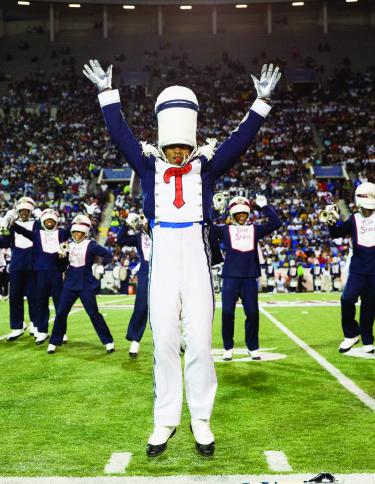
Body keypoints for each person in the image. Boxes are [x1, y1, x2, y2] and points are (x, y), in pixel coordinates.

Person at [83, 59, 281, 457]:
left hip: (195, 254)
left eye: (182, 147)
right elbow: (120, 136)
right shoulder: (148, 164)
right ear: (163, 143)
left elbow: (239, 142)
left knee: (201, 342)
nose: (176, 153)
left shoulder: (205, 169)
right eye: (171, 146)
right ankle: (164, 420)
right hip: (164, 257)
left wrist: (260, 102)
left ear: (191, 143)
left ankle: (202, 419)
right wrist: (107, 94)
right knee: (166, 342)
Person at [215, 195, 281, 361]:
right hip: (230, 277)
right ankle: (228, 347)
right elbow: (207, 227)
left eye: (244, 213)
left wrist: (264, 206)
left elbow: (276, 223)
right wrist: (215, 210)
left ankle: (252, 347)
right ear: (232, 215)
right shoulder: (225, 229)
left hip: (250, 277)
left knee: (252, 313)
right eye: (238, 214)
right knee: (227, 313)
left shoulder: (255, 229)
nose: (242, 216)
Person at [47, 214, 115, 354]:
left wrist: (101, 266)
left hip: (86, 285)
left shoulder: (91, 244)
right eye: (74, 232)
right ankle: (54, 341)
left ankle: (108, 341)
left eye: (80, 232)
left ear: (85, 233)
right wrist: (60, 256)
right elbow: (61, 268)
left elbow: (108, 255)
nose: (77, 234)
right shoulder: (67, 245)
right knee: (61, 313)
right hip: (70, 284)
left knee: (93, 314)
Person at [324, 182, 375, 354]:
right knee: (347, 299)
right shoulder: (354, 218)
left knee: (369, 306)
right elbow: (335, 233)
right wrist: (331, 219)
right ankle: (351, 334)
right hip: (358, 270)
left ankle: (367, 340)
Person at [10, 208, 70, 344]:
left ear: (55, 221)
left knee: (59, 304)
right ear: (43, 221)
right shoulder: (37, 234)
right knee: (41, 303)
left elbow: (75, 229)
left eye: (52, 220)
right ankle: (42, 331)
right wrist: (13, 223)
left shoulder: (62, 233)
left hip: (56, 273)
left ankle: (62, 332)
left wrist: (89, 215)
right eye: (47, 220)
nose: (49, 222)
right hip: (40, 274)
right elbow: (23, 231)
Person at [0, 198, 39, 340]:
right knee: (15, 296)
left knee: (33, 296)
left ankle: (35, 324)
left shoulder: (37, 224)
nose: (23, 213)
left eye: (26, 211)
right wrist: (3, 226)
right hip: (16, 265)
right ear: (18, 211)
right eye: (21, 211)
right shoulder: (11, 225)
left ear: (30, 211)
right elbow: (3, 243)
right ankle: (17, 326)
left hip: (32, 264)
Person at [117, 212, 151, 358]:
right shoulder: (139, 237)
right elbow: (121, 240)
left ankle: (178, 340)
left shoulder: (164, 233)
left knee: (171, 308)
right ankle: (135, 340)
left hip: (165, 272)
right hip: (145, 273)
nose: (145, 223)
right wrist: (127, 224)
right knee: (141, 307)